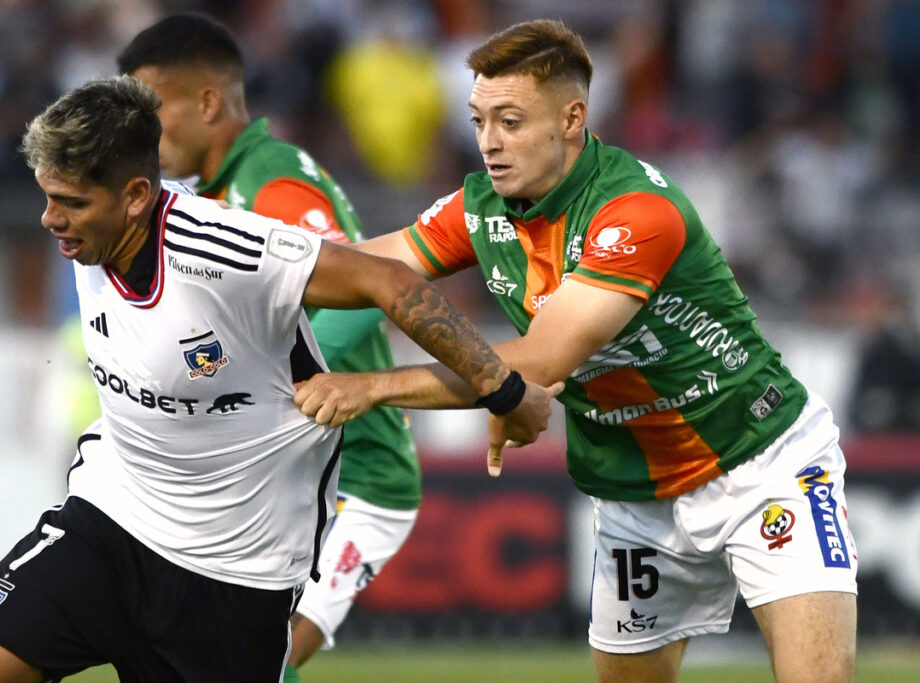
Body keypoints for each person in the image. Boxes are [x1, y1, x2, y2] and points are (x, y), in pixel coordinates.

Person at [0, 75, 560, 683]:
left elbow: (390, 282)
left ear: (136, 197)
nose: (51, 218)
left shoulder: (225, 249)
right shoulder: (88, 236)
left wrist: (503, 391)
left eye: (71, 202)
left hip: (232, 575)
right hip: (109, 524)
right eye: (48, 197)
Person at [296, 19, 859, 683]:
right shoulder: (479, 206)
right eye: (479, 120)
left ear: (572, 118)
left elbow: (541, 360)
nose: (488, 143)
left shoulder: (634, 211)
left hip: (761, 460)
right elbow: (369, 266)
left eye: (510, 121)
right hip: (632, 493)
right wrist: (249, 273)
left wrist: (374, 386)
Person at [114, 13, 424, 681]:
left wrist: (258, 386)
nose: (140, 132)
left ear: (207, 102)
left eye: (151, 108)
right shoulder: (217, 195)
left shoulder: (272, 182)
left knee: (259, 660)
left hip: (358, 480)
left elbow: (366, 296)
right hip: (283, 479)